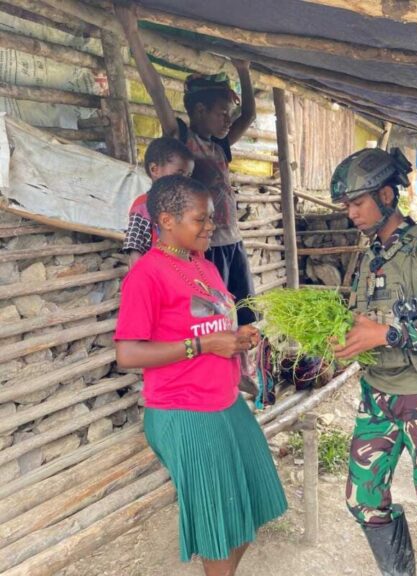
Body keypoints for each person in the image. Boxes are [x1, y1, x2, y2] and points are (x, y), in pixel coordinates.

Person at [114, 175, 286, 576]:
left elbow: (207, 325)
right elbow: (127, 353)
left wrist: (236, 337)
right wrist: (204, 347)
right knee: (219, 525)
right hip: (183, 411)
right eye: (201, 219)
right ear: (167, 220)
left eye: (211, 217)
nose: (211, 225)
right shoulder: (146, 276)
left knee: (255, 501)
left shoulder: (204, 266)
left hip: (223, 401)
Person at [330, 148, 417, 576]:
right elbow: (362, 318)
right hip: (378, 395)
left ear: (387, 195)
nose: (351, 213)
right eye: (347, 205)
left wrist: (388, 333)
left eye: (358, 202)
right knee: (363, 498)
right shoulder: (371, 253)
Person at [117, 5, 256, 326]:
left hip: (232, 239)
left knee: (246, 311)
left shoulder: (221, 144)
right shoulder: (181, 140)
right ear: (200, 109)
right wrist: (132, 34)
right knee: (215, 315)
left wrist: (244, 70)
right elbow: (155, 89)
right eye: (222, 112)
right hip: (206, 244)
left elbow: (247, 115)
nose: (227, 119)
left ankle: (245, 370)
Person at [122, 137, 195, 269]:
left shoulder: (189, 205)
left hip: (187, 275)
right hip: (157, 277)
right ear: (154, 169)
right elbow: (136, 250)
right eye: (179, 174)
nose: (184, 181)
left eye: (188, 175)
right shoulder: (142, 205)